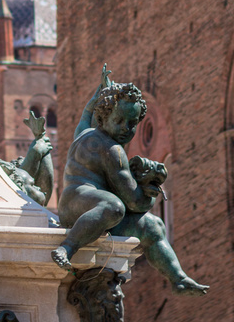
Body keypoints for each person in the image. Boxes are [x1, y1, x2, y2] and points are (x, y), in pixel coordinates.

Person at [52, 76, 209, 296]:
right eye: (120, 121)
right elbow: (134, 202)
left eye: (133, 123)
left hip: (84, 210)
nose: (127, 128)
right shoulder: (112, 150)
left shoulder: (85, 133)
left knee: (153, 226)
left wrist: (96, 97)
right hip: (79, 206)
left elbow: (85, 116)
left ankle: (178, 277)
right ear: (104, 118)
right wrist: (149, 191)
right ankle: (67, 248)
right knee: (114, 206)